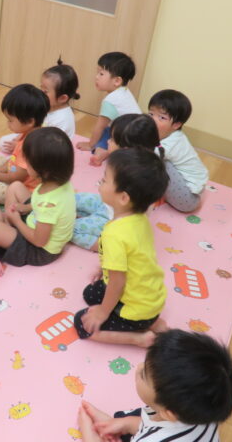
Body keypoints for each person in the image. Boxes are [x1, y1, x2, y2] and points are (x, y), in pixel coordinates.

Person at [74, 147, 169, 347]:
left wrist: (103, 312)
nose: (100, 183)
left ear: (123, 198)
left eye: (104, 180)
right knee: (90, 294)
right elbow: (133, 257)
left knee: (82, 323)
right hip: (151, 298)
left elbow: (117, 282)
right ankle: (153, 322)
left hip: (135, 309)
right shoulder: (140, 218)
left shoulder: (114, 235)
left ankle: (140, 338)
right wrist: (105, 268)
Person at [77, 330, 232, 442]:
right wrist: (125, 424)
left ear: (168, 413)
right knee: (128, 417)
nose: (138, 367)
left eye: (143, 375)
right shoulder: (205, 409)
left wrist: (90, 437)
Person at [0, 127, 76, 280]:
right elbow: (40, 203)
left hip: (40, 250)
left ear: (43, 170)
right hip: (36, 224)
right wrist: (26, 207)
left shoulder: (48, 205)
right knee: (15, 186)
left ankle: (3, 223)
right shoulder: (58, 182)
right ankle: (6, 223)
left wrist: (17, 221)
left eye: (27, 162)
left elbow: (39, 241)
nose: (24, 165)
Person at [73, 114, 162, 251]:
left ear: (126, 149)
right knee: (73, 199)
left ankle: (108, 247)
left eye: (112, 139)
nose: (108, 141)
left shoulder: (135, 174)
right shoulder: (141, 159)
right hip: (107, 203)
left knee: (71, 229)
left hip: (113, 218)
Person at [0, 59, 80, 153]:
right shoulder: (46, 104)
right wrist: (20, 138)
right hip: (36, 135)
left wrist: (19, 146)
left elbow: (48, 145)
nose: (40, 93)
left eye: (45, 91)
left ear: (62, 98)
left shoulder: (62, 120)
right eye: (41, 88)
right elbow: (30, 125)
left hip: (50, 149)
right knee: (3, 142)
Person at [147, 89, 208, 213]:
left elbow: (147, 155)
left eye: (162, 117)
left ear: (176, 125)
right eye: (151, 114)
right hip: (187, 189)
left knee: (156, 161)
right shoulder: (163, 133)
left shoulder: (174, 141)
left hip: (188, 199)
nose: (153, 119)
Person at [76, 52, 141, 166]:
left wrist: (90, 144)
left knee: (104, 133)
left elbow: (100, 126)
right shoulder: (125, 92)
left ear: (117, 81)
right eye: (97, 73)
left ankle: (103, 152)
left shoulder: (111, 100)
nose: (96, 77)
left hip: (126, 141)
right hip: (137, 137)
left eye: (101, 74)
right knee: (108, 129)